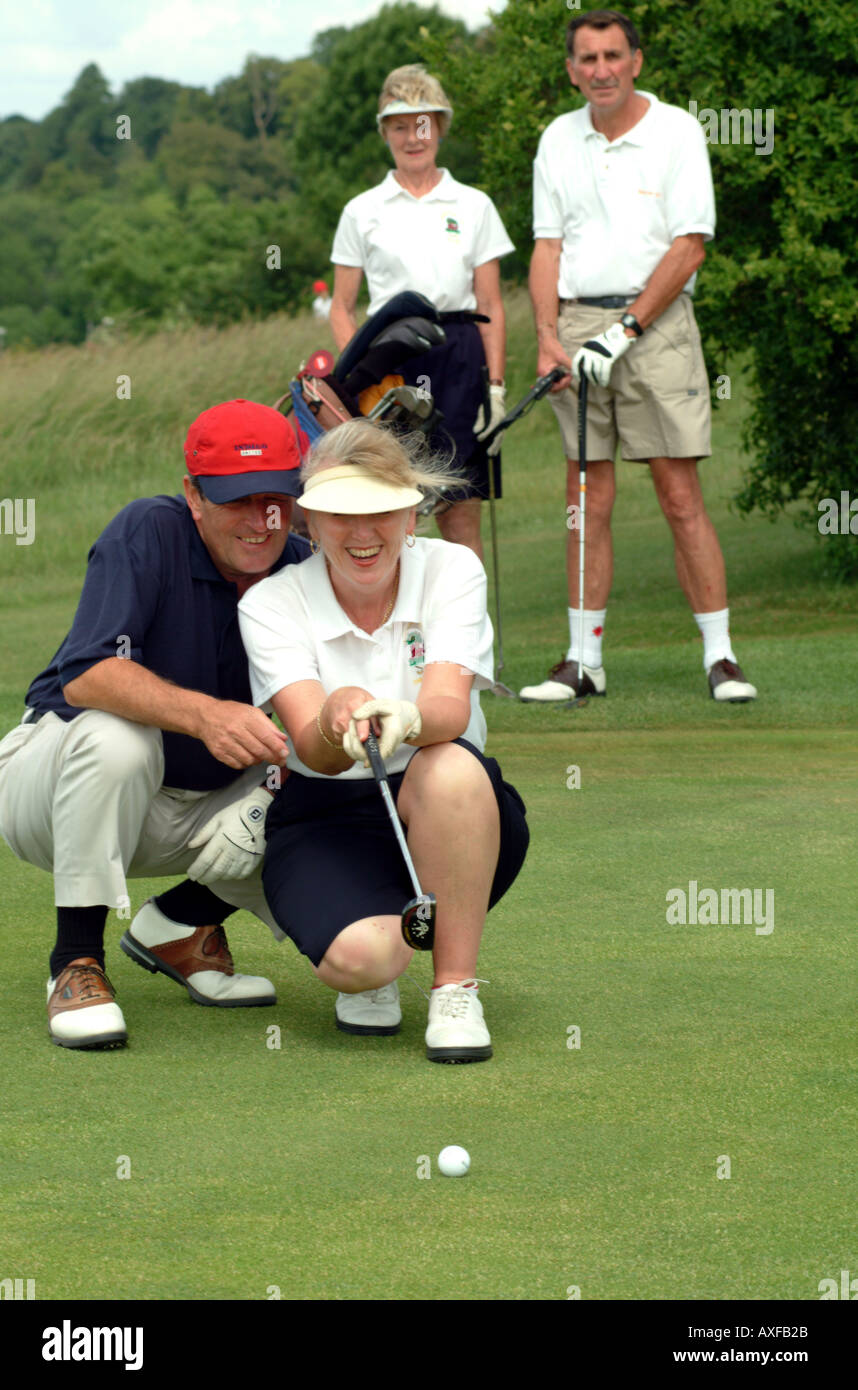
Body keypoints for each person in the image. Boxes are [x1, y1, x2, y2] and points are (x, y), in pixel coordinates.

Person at [0, 399, 309, 1049]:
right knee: (119, 734)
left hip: (186, 808)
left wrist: (271, 793)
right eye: (236, 500)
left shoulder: (303, 567)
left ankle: (180, 926)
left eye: (274, 498)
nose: (260, 521)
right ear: (193, 494)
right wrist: (206, 715)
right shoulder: (149, 529)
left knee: (335, 790)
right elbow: (87, 674)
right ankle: (75, 963)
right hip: (50, 789)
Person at [238, 418, 529, 1063]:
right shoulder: (270, 602)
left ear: (410, 516)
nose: (362, 534)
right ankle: (383, 962)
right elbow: (311, 750)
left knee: (447, 766)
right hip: (326, 814)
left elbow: (449, 707)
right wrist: (332, 716)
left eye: (380, 513)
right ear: (311, 522)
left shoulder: (453, 568)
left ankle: (455, 988)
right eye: (340, 515)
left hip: (455, 812)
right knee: (363, 960)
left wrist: (410, 719)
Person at [522, 8, 757, 705]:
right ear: (572, 70)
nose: (601, 70)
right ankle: (583, 661)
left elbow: (690, 245)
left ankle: (721, 658)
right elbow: (546, 247)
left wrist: (621, 333)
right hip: (576, 320)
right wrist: (546, 336)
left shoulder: (677, 130)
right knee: (584, 499)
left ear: (636, 61)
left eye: (612, 56)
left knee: (679, 495)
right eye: (587, 59)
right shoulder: (558, 139)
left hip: (656, 324)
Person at [329, 64, 514, 563]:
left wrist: (495, 388)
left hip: (459, 356)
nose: (414, 137)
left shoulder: (474, 205)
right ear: (385, 132)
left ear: (440, 128)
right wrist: (357, 375)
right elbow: (342, 307)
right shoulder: (361, 210)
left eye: (424, 124)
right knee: (390, 503)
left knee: (459, 505)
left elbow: (491, 304)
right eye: (400, 125)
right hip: (389, 360)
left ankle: (470, 637)